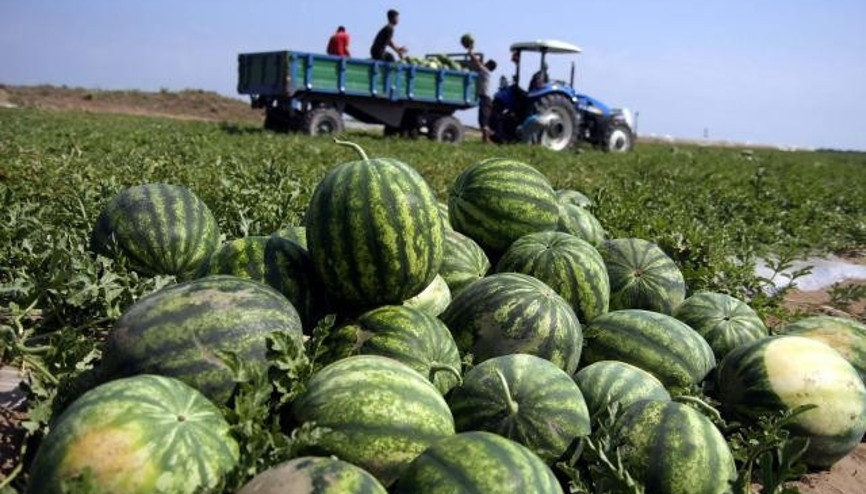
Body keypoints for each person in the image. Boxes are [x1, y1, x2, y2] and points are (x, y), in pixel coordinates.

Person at [466, 43, 497, 143]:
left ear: (488, 65)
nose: (484, 63)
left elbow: (476, 62)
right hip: (485, 99)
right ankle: (486, 139)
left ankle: (486, 140)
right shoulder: (485, 72)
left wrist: (470, 51)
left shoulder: (485, 72)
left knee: (484, 120)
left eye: (486, 63)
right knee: (482, 120)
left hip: (486, 99)